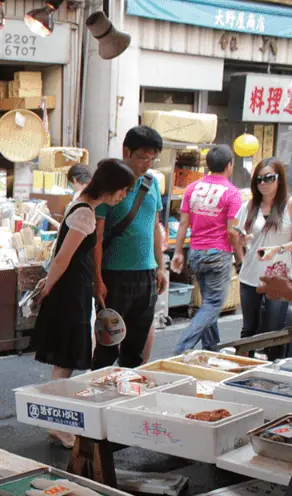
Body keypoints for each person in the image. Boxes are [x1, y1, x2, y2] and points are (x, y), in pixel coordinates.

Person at [32, 159, 135, 449]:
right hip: (68, 291)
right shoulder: (86, 214)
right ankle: (56, 424)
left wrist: (93, 286)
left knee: (64, 359)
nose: (123, 196)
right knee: (65, 359)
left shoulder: (82, 204)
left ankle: (56, 422)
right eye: (123, 190)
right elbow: (64, 256)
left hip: (74, 288)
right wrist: (47, 287)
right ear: (111, 186)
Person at [93, 126, 168, 369]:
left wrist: (160, 266)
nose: (146, 164)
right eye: (141, 157)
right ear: (126, 151)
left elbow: (155, 228)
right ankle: (96, 397)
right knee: (107, 346)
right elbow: (97, 235)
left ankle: (125, 397)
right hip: (115, 276)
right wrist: (97, 279)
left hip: (146, 275)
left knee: (135, 348)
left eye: (151, 158)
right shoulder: (109, 183)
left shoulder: (152, 183)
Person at [172, 145, 243, 353]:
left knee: (207, 305)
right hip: (218, 254)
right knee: (212, 305)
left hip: (195, 252)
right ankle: (182, 348)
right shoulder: (232, 192)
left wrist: (177, 252)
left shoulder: (192, 188)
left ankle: (211, 350)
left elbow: (183, 223)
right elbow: (232, 232)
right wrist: (240, 259)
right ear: (229, 165)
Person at [236, 159, 291, 360]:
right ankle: (243, 370)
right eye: (259, 179)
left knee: (273, 330)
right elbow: (239, 234)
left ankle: (272, 374)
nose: (263, 183)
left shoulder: (288, 206)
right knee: (249, 329)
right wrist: (242, 241)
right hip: (250, 275)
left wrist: (277, 249)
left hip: (278, 277)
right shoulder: (249, 207)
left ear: (279, 179)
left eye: (269, 178)